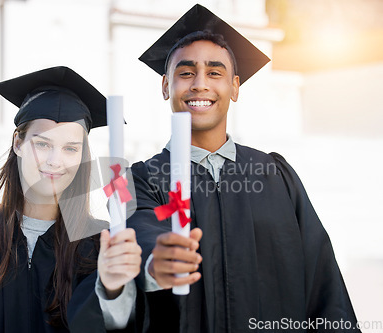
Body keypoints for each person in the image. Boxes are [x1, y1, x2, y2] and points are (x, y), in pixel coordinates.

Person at [127, 4, 360, 332]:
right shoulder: (142, 178)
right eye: (186, 72)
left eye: (215, 72)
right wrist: (155, 262)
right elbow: (140, 230)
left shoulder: (275, 175)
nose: (199, 84)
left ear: (235, 87)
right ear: (166, 86)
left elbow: (323, 281)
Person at [0, 66, 143, 332]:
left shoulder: (100, 246)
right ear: (18, 143)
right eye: (43, 144)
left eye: (70, 148)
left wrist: (114, 289)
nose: (55, 161)